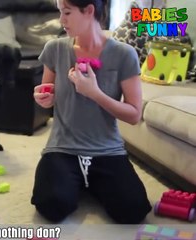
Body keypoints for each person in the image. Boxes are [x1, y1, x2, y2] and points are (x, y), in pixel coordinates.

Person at [31, 0, 152, 224]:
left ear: (89, 10)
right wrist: (44, 98)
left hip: (107, 150)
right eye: (60, 12)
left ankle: (86, 182)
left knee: (133, 210)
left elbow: (134, 115)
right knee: (52, 206)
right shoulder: (54, 49)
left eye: (67, 12)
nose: (61, 20)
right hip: (62, 148)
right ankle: (80, 182)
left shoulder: (124, 54)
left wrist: (94, 93)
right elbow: (48, 98)